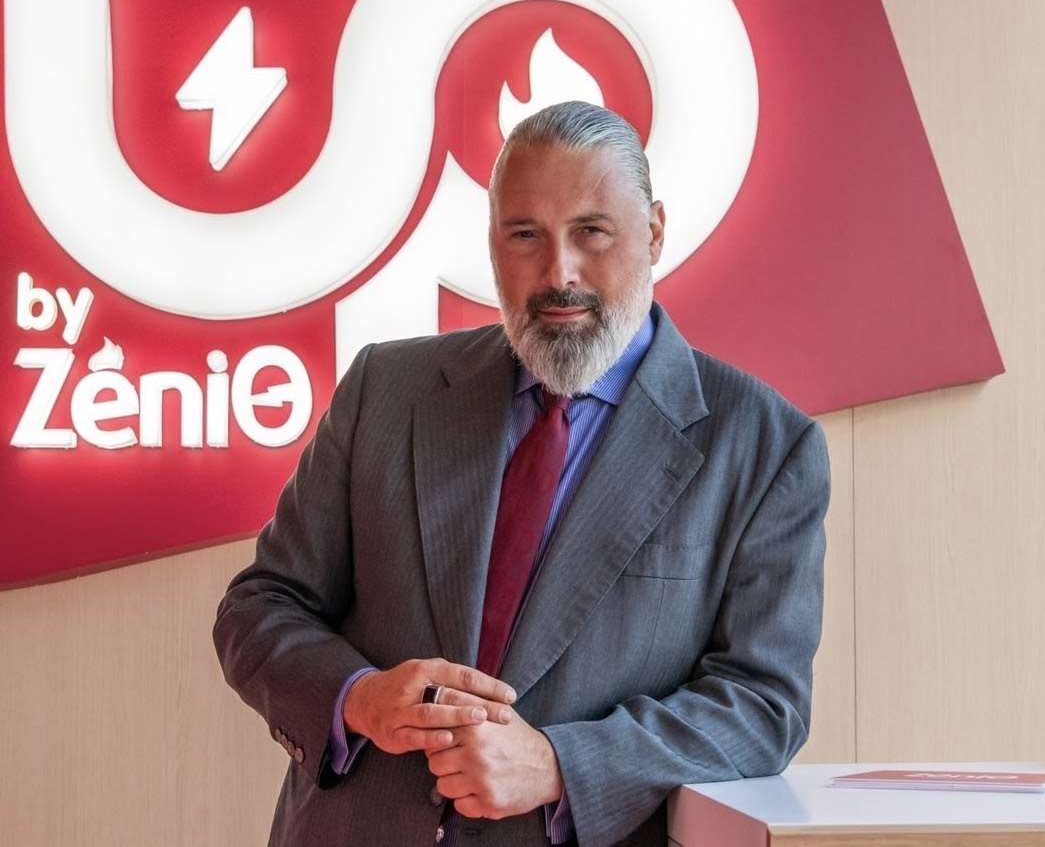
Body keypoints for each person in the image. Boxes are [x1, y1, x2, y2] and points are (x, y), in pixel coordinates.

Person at [213, 100, 830, 847]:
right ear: (492, 241)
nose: (557, 273)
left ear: (654, 232)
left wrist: (560, 764)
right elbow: (261, 606)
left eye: (591, 231)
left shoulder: (766, 445)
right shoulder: (385, 390)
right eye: (525, 235)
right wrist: (360, 697)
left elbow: (761, 705)